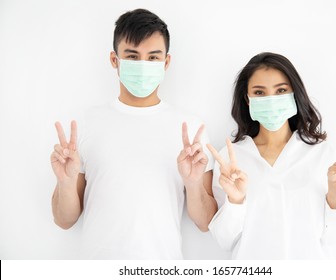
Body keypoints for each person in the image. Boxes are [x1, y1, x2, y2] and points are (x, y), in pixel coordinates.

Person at [50, 9, 217, 259]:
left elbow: (205, 223)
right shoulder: (87, 123)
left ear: (166, 62)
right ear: (114, 60)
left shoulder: (191, 129)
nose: (143, 65)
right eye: (132, 56)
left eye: (152, 57)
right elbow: (64, 221)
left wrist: (193, 184)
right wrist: (65, 182)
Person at [206, 52, 336, 259]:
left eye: (281, 91)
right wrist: (235, 200)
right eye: (259, 93)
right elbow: (224, 241)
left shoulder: (322, 154)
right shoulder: (231, 158)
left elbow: (335, 238)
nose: (271, 100)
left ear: (294, 94)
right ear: (247, 99)